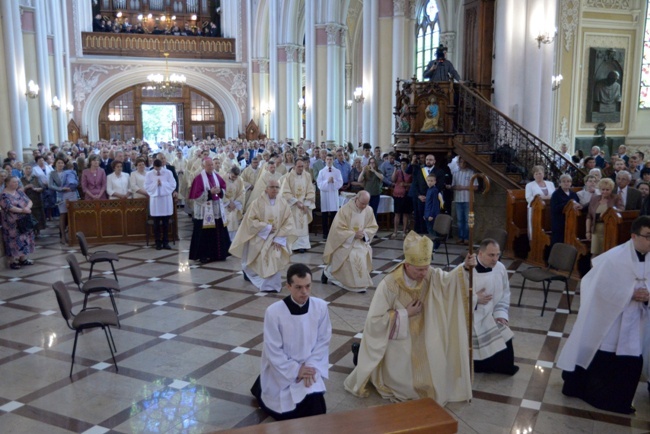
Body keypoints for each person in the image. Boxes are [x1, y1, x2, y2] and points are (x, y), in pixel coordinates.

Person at [344, 231, 475, 405]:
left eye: (427, 267)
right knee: (407, 386)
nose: (424, 273)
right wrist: (404, 314)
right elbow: (375, 322)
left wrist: (465, 267)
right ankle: (361, 355)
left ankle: (359, 353)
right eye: (419, 269)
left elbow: (448, 282)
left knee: (435, 377)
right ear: (407, 265)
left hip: (425, 334)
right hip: (399, 340)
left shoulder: (429, 274)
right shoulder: (389, 285)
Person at [558, 216, 650, 414]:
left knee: (631, 360)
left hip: (635, 319)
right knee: (603, 358)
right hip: (612, 319)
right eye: (648, 236)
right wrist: (629, 294)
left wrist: (647, 295)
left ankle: (620, 402)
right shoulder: (614, 258)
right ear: (634, 236)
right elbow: (595, 286)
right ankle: (591, 394)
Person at [250, 264, 331, 421]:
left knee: (315, 402)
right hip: (283, 369)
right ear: (288, 286)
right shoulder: (274, 312)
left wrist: (310, 367)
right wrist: (296, 370)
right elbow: (273, 349)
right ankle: (261, 386)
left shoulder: (320, 307)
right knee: (287, 411)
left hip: (309, 366)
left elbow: (323, 340)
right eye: (298, 287)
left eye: (308, 286)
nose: (304, 292)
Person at [229, 180, 295, 292]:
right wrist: (266, 227)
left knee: (274, 256)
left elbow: (289, 222)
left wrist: (279, 237)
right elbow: (250, 221)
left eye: (277, 187)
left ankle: (271, 285)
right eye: (272, 187)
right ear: (266, 189)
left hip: (276, 238)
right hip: (260, 237)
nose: (275, 189)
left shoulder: (283, 203)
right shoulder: (257, 203)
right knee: (260, 260)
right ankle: (257, 277)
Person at [472, 239, 519, 375]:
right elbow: (455, 296)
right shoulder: (467, 270)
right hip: (471, 316)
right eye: (491, 255)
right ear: (480, 253)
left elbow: (505, 293)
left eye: (497, 255)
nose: (495, 259)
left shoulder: (500, 268)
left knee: (505, 336)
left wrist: (501, 314)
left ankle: (500, 368)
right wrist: (474, 299)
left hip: (491, 314)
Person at [321, 191, 378, 292]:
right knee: (352, 256)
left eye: (366, 204)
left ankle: (359, 283)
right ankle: (329, 273)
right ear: (356, 199)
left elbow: (373, 226)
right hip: (345, 242)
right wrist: (353, 235)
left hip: (360, 242)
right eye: (362, 203)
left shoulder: (369, 210)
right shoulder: (345, 210)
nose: (364, 206)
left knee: (362, 253)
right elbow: (337, 229)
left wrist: (364, 234)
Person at [188, 158, 230, 262]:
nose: (211, 167)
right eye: (209, 165)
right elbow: (196, 197)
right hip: (204, 211)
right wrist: (209, 192)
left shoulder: (216, 176)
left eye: (212, 165)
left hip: (216, 209)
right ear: (203, 166)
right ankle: (204, 255)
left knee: (218, 232)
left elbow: (224, 187)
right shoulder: (198, 179)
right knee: (204, 234)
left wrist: (220, 191)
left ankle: (219, 255)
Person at [1, 176, 36, 270]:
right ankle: (13, 261)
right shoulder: (3, 195)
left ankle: (23, 258)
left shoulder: (19, 192)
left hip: (24, 220)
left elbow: (29, 201)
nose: (16, 184)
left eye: (17, 182)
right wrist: (22, 210)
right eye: (13, 182)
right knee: (13, 241)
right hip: (12, 223)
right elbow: (9, 207)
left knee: (25, 238)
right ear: (7, 183)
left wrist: (27, 208)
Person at [281, 159, 315, 253]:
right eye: (299, 166)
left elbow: (311, 190)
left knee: (303, 226)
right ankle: (293, 245)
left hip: (304, 205)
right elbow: (285, 192)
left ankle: (303, 245)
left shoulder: (307, 176)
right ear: (294, 166)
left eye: (302, 166)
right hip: (293, 205)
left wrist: (306, 203)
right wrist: (296, 202)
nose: (301, 169)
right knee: (293, 225)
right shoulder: (288, 177)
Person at [586, 178, 623, 256]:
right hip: (596, 230)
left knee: (607, 254)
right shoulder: (594, 199)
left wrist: (609, 212)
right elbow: (589, 216)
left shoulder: (615, 198)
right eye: (603, 189)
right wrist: (588, 231)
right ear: (599, 189)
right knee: (595, 253)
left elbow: (621, 210)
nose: (605, 192)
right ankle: (594, 268)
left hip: (610, 230)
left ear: (611, 189)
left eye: (607, 190)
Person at [408, 154, 444, 234]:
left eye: (431, 160)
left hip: (432, 199)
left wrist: (429, 196)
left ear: (434, 161)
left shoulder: (439, 171)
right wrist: (419, 195)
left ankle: (432, 237)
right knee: (420, 218)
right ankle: (421, 235)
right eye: (427, 159)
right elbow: (415, 184)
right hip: (421, 199)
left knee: (431, 220)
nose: (428, 161)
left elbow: (440, 185)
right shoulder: (420, 171)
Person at [145, 159, 176, 250]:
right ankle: (157, 242)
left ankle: (166, 242)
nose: (158, 170)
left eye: (159, 168)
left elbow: (173, 184)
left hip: (165, 200)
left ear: (162, 165)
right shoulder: (149, 174)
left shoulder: (168, 173)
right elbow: (147, 186)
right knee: (156, 224)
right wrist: (156, 184)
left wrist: (162, 183)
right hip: (155, 201)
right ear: (153, 166)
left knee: (166, 223)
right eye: (156, 168)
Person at [49, 157, 80, 244]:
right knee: (63, 215)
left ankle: (72, 235)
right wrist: (61, 188)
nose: (60, 164)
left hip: (72, 193)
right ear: (55, 164)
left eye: (62, 163)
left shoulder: (69, 172)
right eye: (59, 163)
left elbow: (76, 181)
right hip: (61, 195)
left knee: (72, 214)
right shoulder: (53, 173)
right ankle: (63, 236)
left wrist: (72, 186)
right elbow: (50, 185)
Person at [524, 165, 555, 239]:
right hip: (535, 209)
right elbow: (528, 198)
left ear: (543, 174)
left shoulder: (550, 184)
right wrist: (540, 199)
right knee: (536, 228)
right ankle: (534, 241)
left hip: (549, 209)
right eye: (536, 174)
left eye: (540, 173)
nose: (538, 175)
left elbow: (554, 195)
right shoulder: (529, 185)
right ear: (533, 175)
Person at [550, 174, 581, 246]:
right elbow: (554, 208)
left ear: (571, 183)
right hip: (559, 221)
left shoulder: (573, 194)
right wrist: (568, 205)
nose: (566, 183)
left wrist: (579, 206)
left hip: (571, 221)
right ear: (560, 183)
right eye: (564, 181)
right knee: (559, 240)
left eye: (568, 181)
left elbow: (577, 203)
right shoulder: (556, 194)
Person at [316, 154, 343, 239]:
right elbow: (319, 184)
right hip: (325, 195)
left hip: (333, 195)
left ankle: (333, 232)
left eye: (331, 159)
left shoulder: (337, 171)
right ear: (325, 160)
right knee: (324, 214)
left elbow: (340, 183)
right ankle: (325, 232)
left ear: (333, 160)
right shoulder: (321, 172)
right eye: (327, 159)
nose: (329, 161)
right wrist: (327, 181)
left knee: (333, 214)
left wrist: (334, 181)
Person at [390, 158, 412, 239]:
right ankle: (395, 231)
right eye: (401, 164)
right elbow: (393, 179)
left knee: (405, 214)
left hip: (406, 195)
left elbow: (413, 184)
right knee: (397, 213)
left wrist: (406, 184)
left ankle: (404, 231)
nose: (403, 165)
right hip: (397, 195)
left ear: (407, 165)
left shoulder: (410, 173)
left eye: (404, 164)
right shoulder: (398, 172)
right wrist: (395, 169)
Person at [21, 164, 46, 236]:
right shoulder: (21, 179)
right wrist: (26, 187)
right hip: (26, 200)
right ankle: (31, 230)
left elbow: (42, 187)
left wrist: (36, 189)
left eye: (29, 168)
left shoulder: (36, 178)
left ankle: (38, 230)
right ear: (24, 170)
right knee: (29, 216)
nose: (28, 170)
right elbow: (19, 190)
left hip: (36, 199)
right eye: (26, 168)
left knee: (37, 215)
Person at [223, 165, 246, 242]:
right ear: (229, 173)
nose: (234, 179)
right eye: (232, 176)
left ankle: (232, 241)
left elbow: (242, 192)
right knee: (225, 222)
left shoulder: (240, 180)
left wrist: (235, 203)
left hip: (235, 204)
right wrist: (228, 203)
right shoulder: (223, 178)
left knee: (234, 222)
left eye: (235, 177)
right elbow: (220, 193)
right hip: (224, 205)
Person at [424, 173, 441, 242]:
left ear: (435, 182)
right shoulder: (428, 190)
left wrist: (431, 215)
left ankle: (436, 243)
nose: (430, 182)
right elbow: (427, 203)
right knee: (429, 229)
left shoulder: (434, 190)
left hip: (432, 214)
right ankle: (432, 242)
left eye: (431, 181)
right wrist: (425, 214)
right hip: (427, 213)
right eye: (428, 181)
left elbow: (435, 204)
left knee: (433, 229)